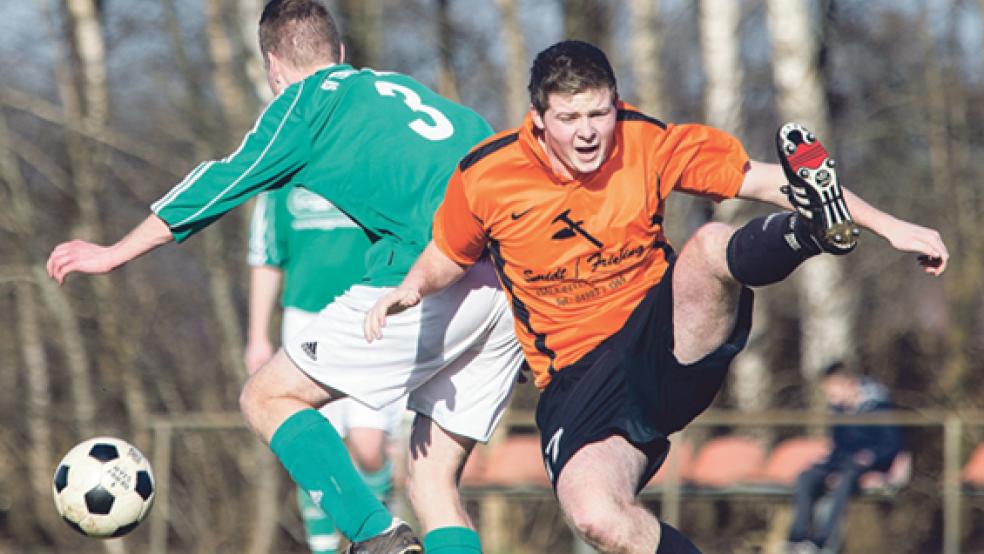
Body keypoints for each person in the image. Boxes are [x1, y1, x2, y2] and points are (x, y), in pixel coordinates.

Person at [365, 40, 948, 554]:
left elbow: (768, 178)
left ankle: (813, 232)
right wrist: (409, 289)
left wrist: (889, 225)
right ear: (538, 120)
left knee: (711, 244)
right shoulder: (487, 175)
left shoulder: (646, 141)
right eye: (570, 118)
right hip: (576, 379)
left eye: (600, 112)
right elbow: (448, 254)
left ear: (615, 104)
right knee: (598, 516)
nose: (588, 131)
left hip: (664, 333)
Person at [46, 1, 525, 553]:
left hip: (430, 275)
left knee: (267, 398)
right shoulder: (396, 89)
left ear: (273, 67)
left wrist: (114, 252)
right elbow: (491, 152)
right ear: (341, 53)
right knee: (431, 478)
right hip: (510, 278)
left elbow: (222, 180)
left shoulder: (303, 107)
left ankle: (376, 539)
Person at [245, 187, 404, 554]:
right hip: (305, 319)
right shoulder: (282, 178)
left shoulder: (363, 162)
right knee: (313, 442)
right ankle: (323, 548)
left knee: (369, 447)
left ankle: (382, 533)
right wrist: (257, 336)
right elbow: (266, 258)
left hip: (371, 314)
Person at [786, 362, 902, 554]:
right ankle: (798, 538)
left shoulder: (879, 407)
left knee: (845, 480)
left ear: (848, 384)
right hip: (841, 461)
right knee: (806, 477)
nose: (830, 397)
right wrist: (826, 465)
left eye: (833, 391)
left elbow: (890, 444)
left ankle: (821, 541)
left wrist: (871, 456)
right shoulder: (838, 411)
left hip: (868, 462)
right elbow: (838, 446)